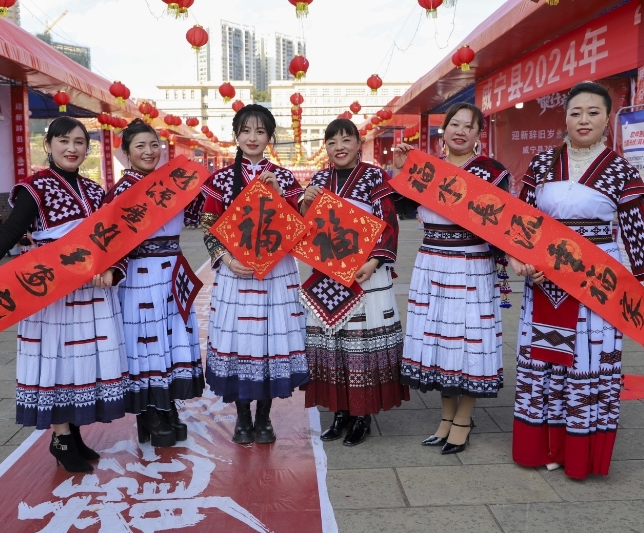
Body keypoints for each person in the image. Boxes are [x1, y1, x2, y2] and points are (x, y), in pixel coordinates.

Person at [509, 81, 644, 479]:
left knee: (587, 360)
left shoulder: (620, 170)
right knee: (544, 359)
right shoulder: (542, 164)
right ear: (565, 118)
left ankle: (579, 451)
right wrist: (518, 257)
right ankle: (544, 446)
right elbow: (520, 221)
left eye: (593, 112)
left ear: (607, 119)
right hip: (545, 278)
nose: (584, 120)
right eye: (576, 112)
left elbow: (637, 229)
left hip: (596, 280)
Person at [0, 117, 129, 473]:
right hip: (52, 293)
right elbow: (10, 231)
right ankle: (61, 437)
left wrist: (111, 268)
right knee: (57, 360)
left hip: (91, 292)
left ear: (87, 148)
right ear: (48, 146)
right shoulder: (35, 188)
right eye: (63, 141)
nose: (72, 148)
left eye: (79, 142)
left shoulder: (96, 191)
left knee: (81, 361)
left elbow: (114, 237)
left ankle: (73, 430)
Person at [393, 103, 510, 455]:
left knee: (469, 341)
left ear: (479, 134)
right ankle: (446, 417)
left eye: (468, 126)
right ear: (444, 130)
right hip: (432, 264)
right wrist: (401, 171)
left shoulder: (492, 172)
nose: (460, 131)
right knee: (440, 341)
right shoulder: (429, 169)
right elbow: (403, 208)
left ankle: (463, 418)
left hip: (471, 264)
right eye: (454, 125)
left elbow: (502, 224)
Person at [199, 104, 309, 445]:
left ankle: (264, 417)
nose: (252, 137)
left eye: (260, 131)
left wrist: (279, 196)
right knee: (241, 343)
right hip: (235, 273)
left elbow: (298, 227)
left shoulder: (285, 177)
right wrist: (226, 259)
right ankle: (242, 417)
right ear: (236, 135)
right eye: (245, 131)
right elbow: (208, 225)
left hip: (276, 275)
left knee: (269, 342)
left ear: (269, 138)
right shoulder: (219, 179)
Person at [301, 118, 409, 447]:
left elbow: (388, 221)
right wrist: (305, 202)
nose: (339, 147)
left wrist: (374, 261)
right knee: (333, 344)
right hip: (328, 276)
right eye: (332, 142)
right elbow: (305, 227)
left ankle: (362, 415)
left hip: (366, 274)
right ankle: (340, 412)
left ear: (358, 144)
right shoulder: (319, 179)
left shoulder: (374, 176)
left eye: (346, 139)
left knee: (361, 344)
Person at [103, 119, 205, 447]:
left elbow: (198, 214)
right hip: (139, 274)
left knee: (170, 340)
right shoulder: (121, 191)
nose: (149, 151)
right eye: (140, 146)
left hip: (172, 271)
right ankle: (148, 412)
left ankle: (167, 403)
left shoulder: (173, 184)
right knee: (145, 340)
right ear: (126, 152)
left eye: (153, 145)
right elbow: (109, 237)